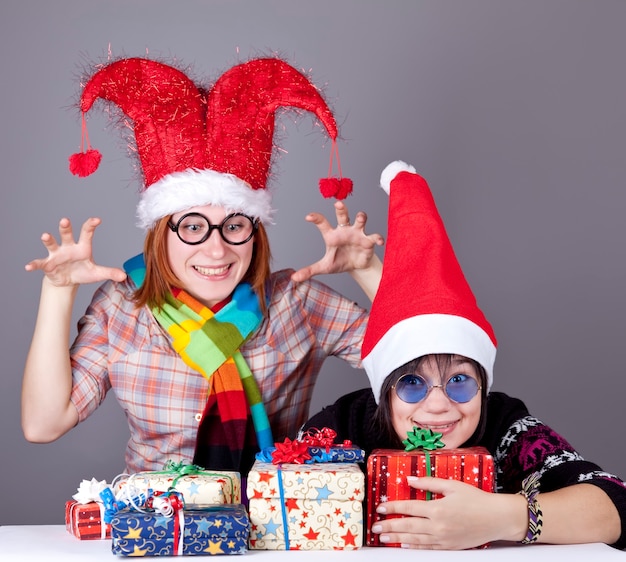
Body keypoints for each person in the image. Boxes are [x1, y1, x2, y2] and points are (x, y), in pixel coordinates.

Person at [21, 56, 383, 476]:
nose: (216, 250)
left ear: (255, 232)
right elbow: (42, 424)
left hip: (270, 524)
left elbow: (419, 365)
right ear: (162, 233)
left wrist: (368, 269)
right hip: (156, 526)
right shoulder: (121, 307)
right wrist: (58, 292)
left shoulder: (295, 301)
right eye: (193, 226)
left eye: (234, 225)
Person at [305, 161, 626, 550]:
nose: (439, 406)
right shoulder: (344, 426)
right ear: (383, 390)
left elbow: (615, 505)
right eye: (411, 384)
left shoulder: (504, 425)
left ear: (483, 384)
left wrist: (505, 516)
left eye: (459, 382)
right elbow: (275, 500)